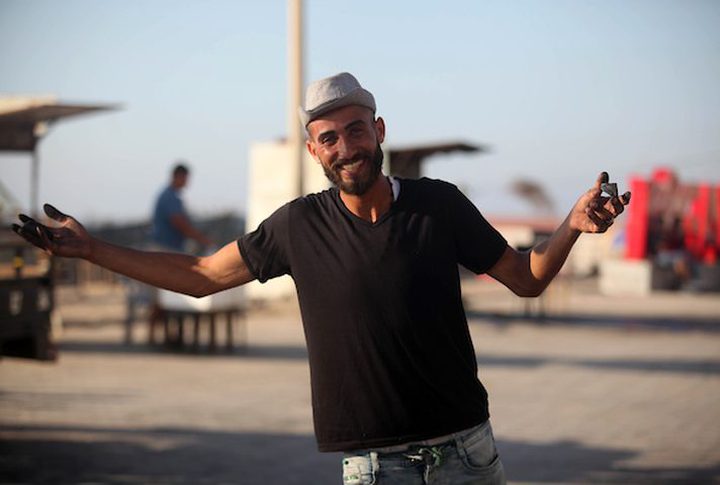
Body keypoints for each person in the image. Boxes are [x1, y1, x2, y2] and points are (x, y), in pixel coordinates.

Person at [12, 72, 630, 485]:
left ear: (379, 131)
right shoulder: (296, 227)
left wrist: (571, 225)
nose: (345, 146)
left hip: (466, 453)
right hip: (372, 465)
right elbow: (201, 275)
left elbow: (525, 279)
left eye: (356, 130)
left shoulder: (438, 204)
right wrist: (92, 250)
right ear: (314, 152)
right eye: (328, 138)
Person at [151, 162, 213, 253]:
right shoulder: (170, 197)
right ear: (178, 176)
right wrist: (204, 240)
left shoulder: (169, 195)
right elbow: (180, 224)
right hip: (166, 249)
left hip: (168, 248)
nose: (186, 181)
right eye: (185, 178)